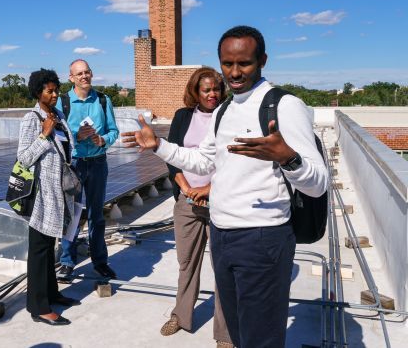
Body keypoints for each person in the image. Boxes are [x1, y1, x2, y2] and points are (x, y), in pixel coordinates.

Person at [122, 26, 329, 347]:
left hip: (263, 238)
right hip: (222, 235)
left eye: (244, 63)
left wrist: (288, 158)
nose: (234, 72)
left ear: (262, 60)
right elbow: (203, 162)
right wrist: (159, 146)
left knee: (260, 336)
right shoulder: (224, 111)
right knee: (235, 330)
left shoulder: (284, 105)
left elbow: (318, 184)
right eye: (227, 64)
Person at [159, 67, 232, 347]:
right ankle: (182, 315)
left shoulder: (228, 116)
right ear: (195, 92)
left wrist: (210, 190)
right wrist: (187, 189)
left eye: (216, 89)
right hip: (187, 201)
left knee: (224, 267)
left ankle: (225, 333)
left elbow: (234, 161)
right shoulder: (183, 116)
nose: (213, 94)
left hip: (221, 203)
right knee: (187, 262)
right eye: (206, 90)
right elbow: (172, 156)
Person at [18, 68, 80, 326]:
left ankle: (52, 293)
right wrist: (44, 134)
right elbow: (23, 158)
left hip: (58, 193)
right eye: (49, 90)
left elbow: (67, 149)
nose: (54, 94)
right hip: (42, 195)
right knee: (39, 250)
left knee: (50, 246)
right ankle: (38, 306)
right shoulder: (31, 119)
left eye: (56, 90)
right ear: (38, 92)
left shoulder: (59, 116)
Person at [56, 59, 119, 282]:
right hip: (74, 165)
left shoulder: (103, 100)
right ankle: (66, 262)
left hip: (98, 162)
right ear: (71, 77)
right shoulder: (63, 102)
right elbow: (56, 136)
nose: (85, 76)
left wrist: (103, 140)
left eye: (88, 72)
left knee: (96, 215)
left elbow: (114, 131)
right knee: (71, 215)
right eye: (79, 73)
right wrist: (76, 137)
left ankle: (100, 262)